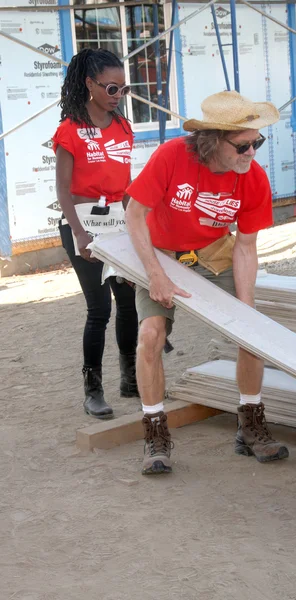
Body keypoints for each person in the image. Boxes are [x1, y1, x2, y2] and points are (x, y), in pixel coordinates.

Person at [125, 90, 289, 475]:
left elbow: (246, 246)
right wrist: (155, 273)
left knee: (251, 333)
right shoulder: (171, 157)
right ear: (213, 142)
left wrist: (244, 306)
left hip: (214, 251)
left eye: (257, 142)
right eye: (243, 145)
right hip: (161, 252)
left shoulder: (254, 178)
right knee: (151, 335)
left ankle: (249, 423)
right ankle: (155, 432)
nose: (252, 152)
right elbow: (135, 216)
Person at [53, 48, 139, 420]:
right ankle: (93, 390)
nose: (118, 94)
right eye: (111, 87)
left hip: (119, 220)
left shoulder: (123, 126)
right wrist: (80, 234)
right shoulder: (68, 130)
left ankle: (131, 378)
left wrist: (139, 224)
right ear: (89, 84)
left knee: (129, 303)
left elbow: (127, 183)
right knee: (99, 309)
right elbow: (63, 190)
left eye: (124, 87)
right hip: (83, 223)